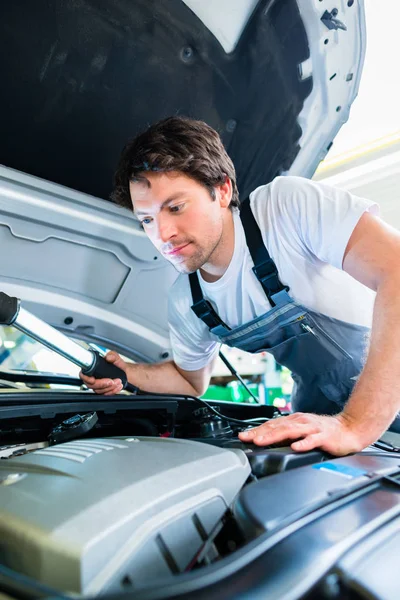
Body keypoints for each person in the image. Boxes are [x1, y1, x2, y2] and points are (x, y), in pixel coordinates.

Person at [80, 116, 400, 456]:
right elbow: (190, 382)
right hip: (324, 414)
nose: (162, 234)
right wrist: (129, 373)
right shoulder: (186, 302)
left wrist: (355, 425)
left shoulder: (283, 209)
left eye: (175, 207)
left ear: (222, 190)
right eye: (147, 220)